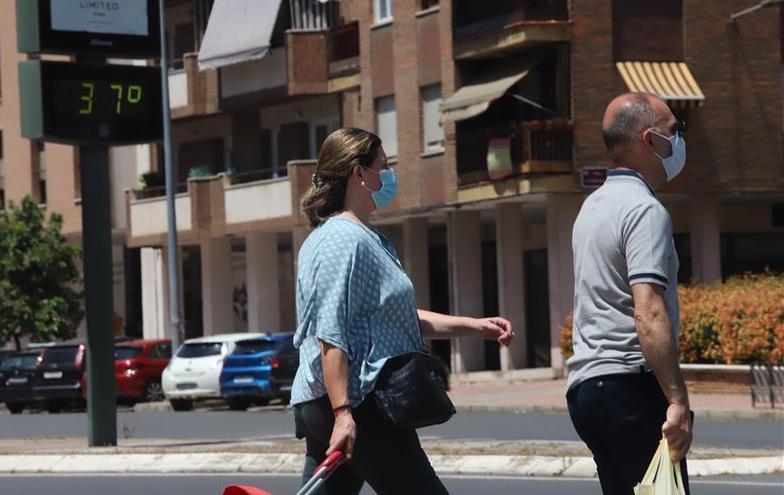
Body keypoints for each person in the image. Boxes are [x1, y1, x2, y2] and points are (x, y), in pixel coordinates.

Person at [291, 127, 514, 495]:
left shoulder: (363, 236)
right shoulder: (342, 240)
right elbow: (331, 333)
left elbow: (398, 317)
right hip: (358, 401)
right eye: (383, 166)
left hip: (334, 400)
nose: (389, 173)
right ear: (358, 173)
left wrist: (475, 327)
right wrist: (343, 413)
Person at [567, 93, 693, 494]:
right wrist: (676, 399)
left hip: (588, 389)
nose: (679, 140)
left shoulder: (592, 206)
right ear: (649, 139)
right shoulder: (644, 211)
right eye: (674, 131)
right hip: (630, 388)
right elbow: (649, 310)